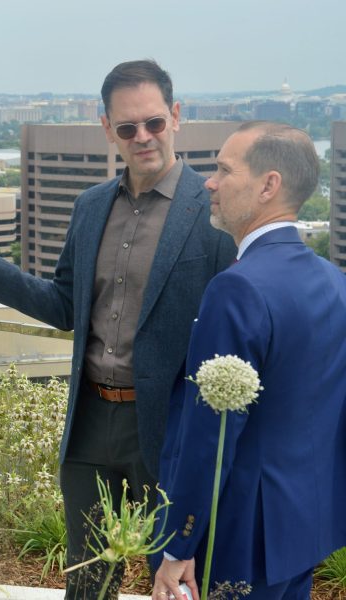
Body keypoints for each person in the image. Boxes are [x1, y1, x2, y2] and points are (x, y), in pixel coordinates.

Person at [0, 60, 236, 599]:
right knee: (89, 579)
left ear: (176, 117)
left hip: (168, 427)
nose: (143, 138)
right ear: (107, 129)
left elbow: (232, 326)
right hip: (90, 421)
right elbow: (65, 306)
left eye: (154, 123)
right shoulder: (91, 208)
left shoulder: (212, 210)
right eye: (129, 127)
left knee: (180, 578)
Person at [152, 122, 346, 600]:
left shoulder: (237, 289)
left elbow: (210, 431)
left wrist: (178, 545)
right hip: (304, 527)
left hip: (238, 535)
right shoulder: (334, 281)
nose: (209, 182)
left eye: (223, 169)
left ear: (269, 185)